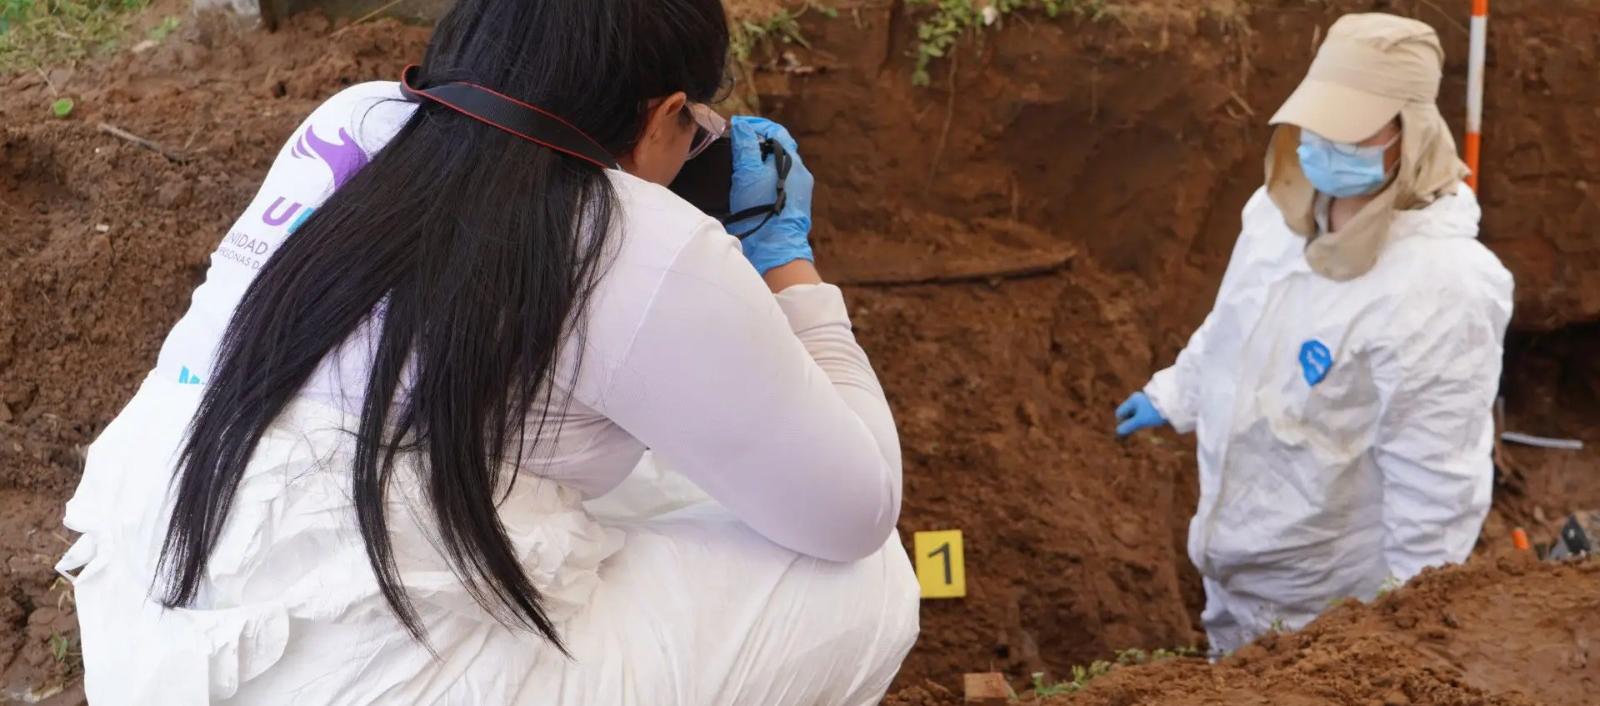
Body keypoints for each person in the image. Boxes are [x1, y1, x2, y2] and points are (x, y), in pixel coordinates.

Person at [54, 1, 918, 703]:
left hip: (159, 625)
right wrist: (785, 264)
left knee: (655, 466)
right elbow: (853, 514)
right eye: (692, 130)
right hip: (352, 673)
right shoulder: (640, 240)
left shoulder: (355, 120)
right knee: (863, 583)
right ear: (662, 114)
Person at [1114, 13, 1513, 654]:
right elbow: (1235, 322)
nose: (1322, 143)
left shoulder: (1442, 289)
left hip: (1327, 601)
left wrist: (1402, 628)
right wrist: (1175, 393)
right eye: (1317, 123)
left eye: (1348, 131)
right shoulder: (1277, 213)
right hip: (1237, 555)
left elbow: (1436, 481)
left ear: (1407, 133)